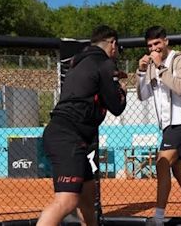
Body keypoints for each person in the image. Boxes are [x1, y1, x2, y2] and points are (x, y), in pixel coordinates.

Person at [37, 25, 127, 226]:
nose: (116, 52)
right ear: (112, 44)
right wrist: (121, 89)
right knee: (66, 201)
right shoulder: (104, 63)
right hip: (68, 137)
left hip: (64, 133)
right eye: (117, 48)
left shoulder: (79, 62)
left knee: (87, 197)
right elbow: (117, 107)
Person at [136, 26, 181, 226]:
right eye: (150, 45)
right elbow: (143, 96)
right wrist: (142, 72)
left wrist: (160, 67)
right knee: (179, 172)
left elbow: (178, 88)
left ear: (166, 41)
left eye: (157, 43)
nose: (154, 48)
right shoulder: (151, 65)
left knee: (161, 164)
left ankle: (158, 218)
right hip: (168, 127)